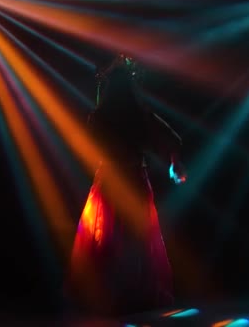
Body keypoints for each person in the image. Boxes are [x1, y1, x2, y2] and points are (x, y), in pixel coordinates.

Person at [65, 53, 187, 316]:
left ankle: (105, 293)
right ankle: (132, 293)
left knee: (106, 238)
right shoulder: (140, 115)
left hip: (110, 181)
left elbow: (88, 145)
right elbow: (172, 139)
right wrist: (174, 163)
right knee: (135, 239)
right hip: (132, 179)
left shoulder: (99, 116)